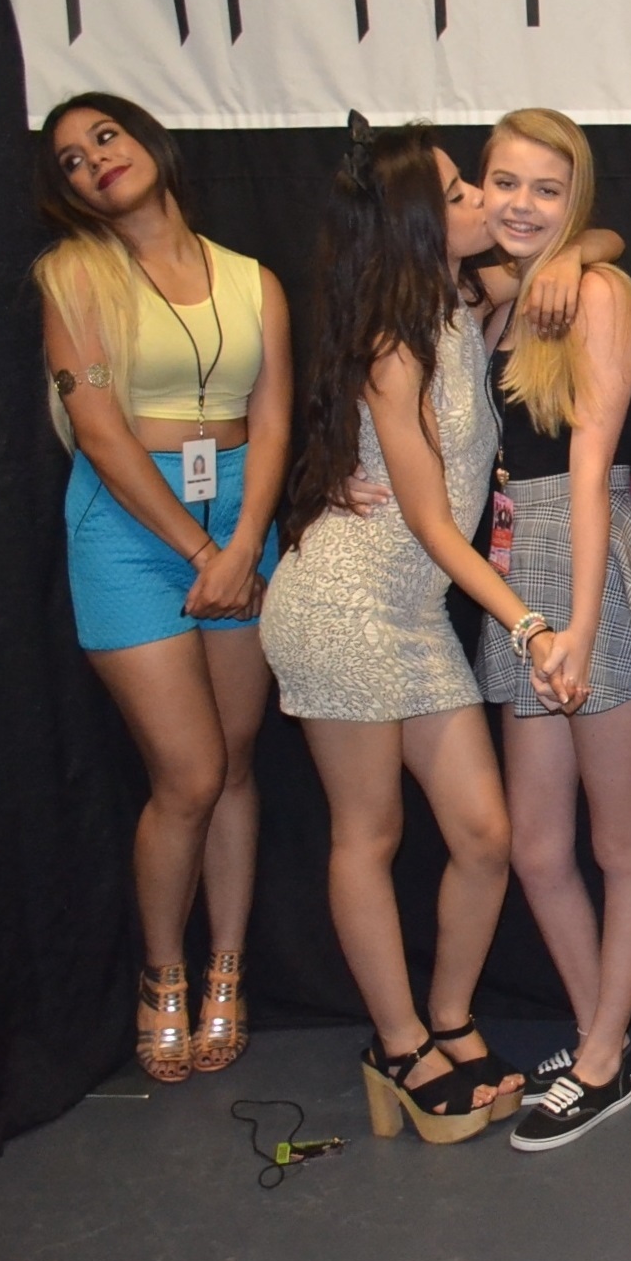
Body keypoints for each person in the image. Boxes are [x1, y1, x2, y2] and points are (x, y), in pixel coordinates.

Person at [261, 117, 564, 1144]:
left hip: (413, 610)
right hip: (342, 604)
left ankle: (448, 1016)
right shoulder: (393, 346)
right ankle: (397, 1048)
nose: (484, 200)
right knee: (370, 832)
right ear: (414, 221)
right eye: (460, 191)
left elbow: (583, 242)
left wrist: (573, 260)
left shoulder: (457, 304)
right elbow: (434, 521)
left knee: (483, 833)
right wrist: (528, 625)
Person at [35, 92, 290, 1083]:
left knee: (234, 762)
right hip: (130, 529)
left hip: (240, 522)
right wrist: (199, 551)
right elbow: (100, 434)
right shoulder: (74, 276)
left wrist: (243, 541)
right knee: (186, 773)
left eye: (105, 136)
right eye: (70, 159)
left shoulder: (252, 279)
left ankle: (227, 965)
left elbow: (271, 420)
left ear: (148, 141)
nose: (95, 159)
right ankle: (162, 973)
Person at [470, 109, 631, 1153]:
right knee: (535, 846)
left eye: (548, 188)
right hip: (513, 579)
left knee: (619, 841)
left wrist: (575, 621)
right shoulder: (498, 298)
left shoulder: (596, 294)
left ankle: (603, 1057)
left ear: (579, 199)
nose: (522, 205)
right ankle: (598, 1033)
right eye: (505, 182)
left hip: (585, 565)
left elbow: (590, 457)